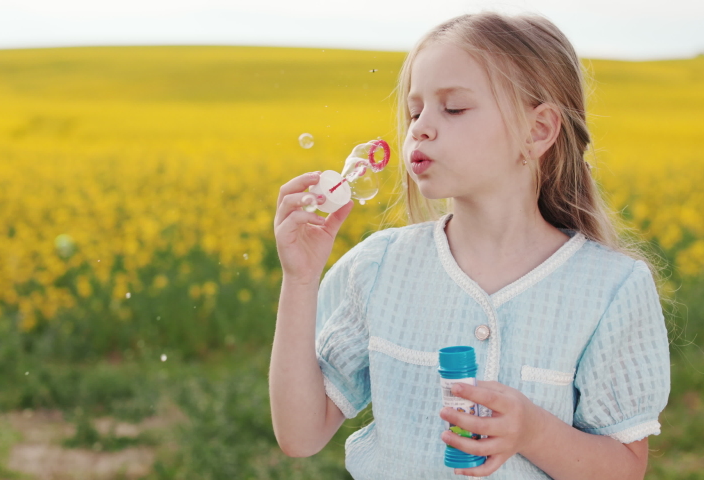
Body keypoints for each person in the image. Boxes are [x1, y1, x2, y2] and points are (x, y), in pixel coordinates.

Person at [269, 12, 670, 479]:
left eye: (453, 108)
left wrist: (534, 432)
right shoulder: (380, 268)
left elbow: (624, 470)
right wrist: (300, 279)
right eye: (414, 111)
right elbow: (299, 435)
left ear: (538, 130)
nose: (419, 128)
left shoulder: (609, 288)